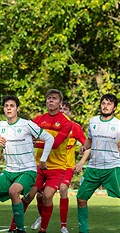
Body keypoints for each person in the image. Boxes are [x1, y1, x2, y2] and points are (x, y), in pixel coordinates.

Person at [0, 95, 54, 233]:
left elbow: (49, 138)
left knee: (14, 191)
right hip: (9, 171)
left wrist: (43, 160)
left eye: (12, 106)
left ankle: (19, 229)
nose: (8, 108)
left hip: (27, 171)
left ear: (17, 108)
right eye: (6, 106)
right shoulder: (1, 125)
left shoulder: (27, 124)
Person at [8, 89, 72, 233]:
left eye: (54, 98)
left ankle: (43, 230)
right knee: (28, 196)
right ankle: (13, 228)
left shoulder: (66, 122)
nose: (51, 100)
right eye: (49, 98)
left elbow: (55, 144)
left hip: (56, 168)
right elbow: (26, 136)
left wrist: (36, 142)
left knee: (47, 196)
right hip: (37, 166)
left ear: (60, 103)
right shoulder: (38, 120)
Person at [30, 100, 86, 233]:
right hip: (46, 165)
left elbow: (87, 144)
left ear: (70, 113)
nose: (62, 112)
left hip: (66, 166)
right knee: (39, 195)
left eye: (65, 110)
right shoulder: (49, 124)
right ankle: (41, 216)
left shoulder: (74, 127)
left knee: (63, 189)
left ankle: (63, 226)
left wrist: (81, 161)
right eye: (61, 109)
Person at [77, 93, 120, 233]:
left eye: (109, 104)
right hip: (93, 168)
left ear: (114, 108)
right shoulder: (93, 121)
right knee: (81, 198)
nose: (105, 106)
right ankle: (84, 231)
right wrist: (84, 146)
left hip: (112, 167)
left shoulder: (118, 125)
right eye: (103, 103)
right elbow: (90, 140)